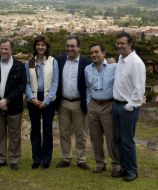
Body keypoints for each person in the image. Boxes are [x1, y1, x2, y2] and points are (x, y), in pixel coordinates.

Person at [0, 38, 26, 171]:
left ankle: (14, 159)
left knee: (14, 134)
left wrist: (7, 100)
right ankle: (1, 159)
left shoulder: (19, 66)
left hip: (14, 106)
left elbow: (21, 86)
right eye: (2, 48)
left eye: (6, 49)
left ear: (11, 50)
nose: (3, 51)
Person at [112, 32, 146, 181]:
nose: (119, 45)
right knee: (118, 139)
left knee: (127, 141)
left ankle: (132, 171)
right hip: (116, 105)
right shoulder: (121, 58)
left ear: (130, 44)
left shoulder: (136, 63)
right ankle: (124, 168)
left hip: (127, 108)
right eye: (118, 43)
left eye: (122, 43)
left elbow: (139, 88)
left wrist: (130, 106)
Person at [56, 35, 91, 170]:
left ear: (79, 47)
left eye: (72, 46)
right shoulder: (59, 60)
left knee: (81, 134)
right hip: (63, 102)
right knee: (64, 133)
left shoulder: (86, 63)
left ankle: (81, 160)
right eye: (68, 46)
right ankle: (66, 158)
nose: (69, 48)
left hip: (79, 103)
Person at [84, 43, 121, 175]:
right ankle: (100, 163)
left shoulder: (114, 67)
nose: (94, 55)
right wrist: (88, 103)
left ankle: (116, 164)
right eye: (92, 53)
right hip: (93, 105)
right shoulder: (87, 69)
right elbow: (88, 87)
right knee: (95, 138)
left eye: (96, 52)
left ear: (103, 53)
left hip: (108, 105)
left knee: (111, 137)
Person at [25, 36, 59, 169]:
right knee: (35, 130)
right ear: (35, 47)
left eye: (43, 45)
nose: (40, 47)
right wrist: (32, 98)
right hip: (33, 99)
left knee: (47, 129)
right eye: (38, 45)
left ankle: (46, 159)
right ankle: (36, 158)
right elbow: (26, 83)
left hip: (48, 99)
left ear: (47, 47)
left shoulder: (53, 61)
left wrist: (47, 100)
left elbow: (55, 82)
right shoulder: (29, 63)